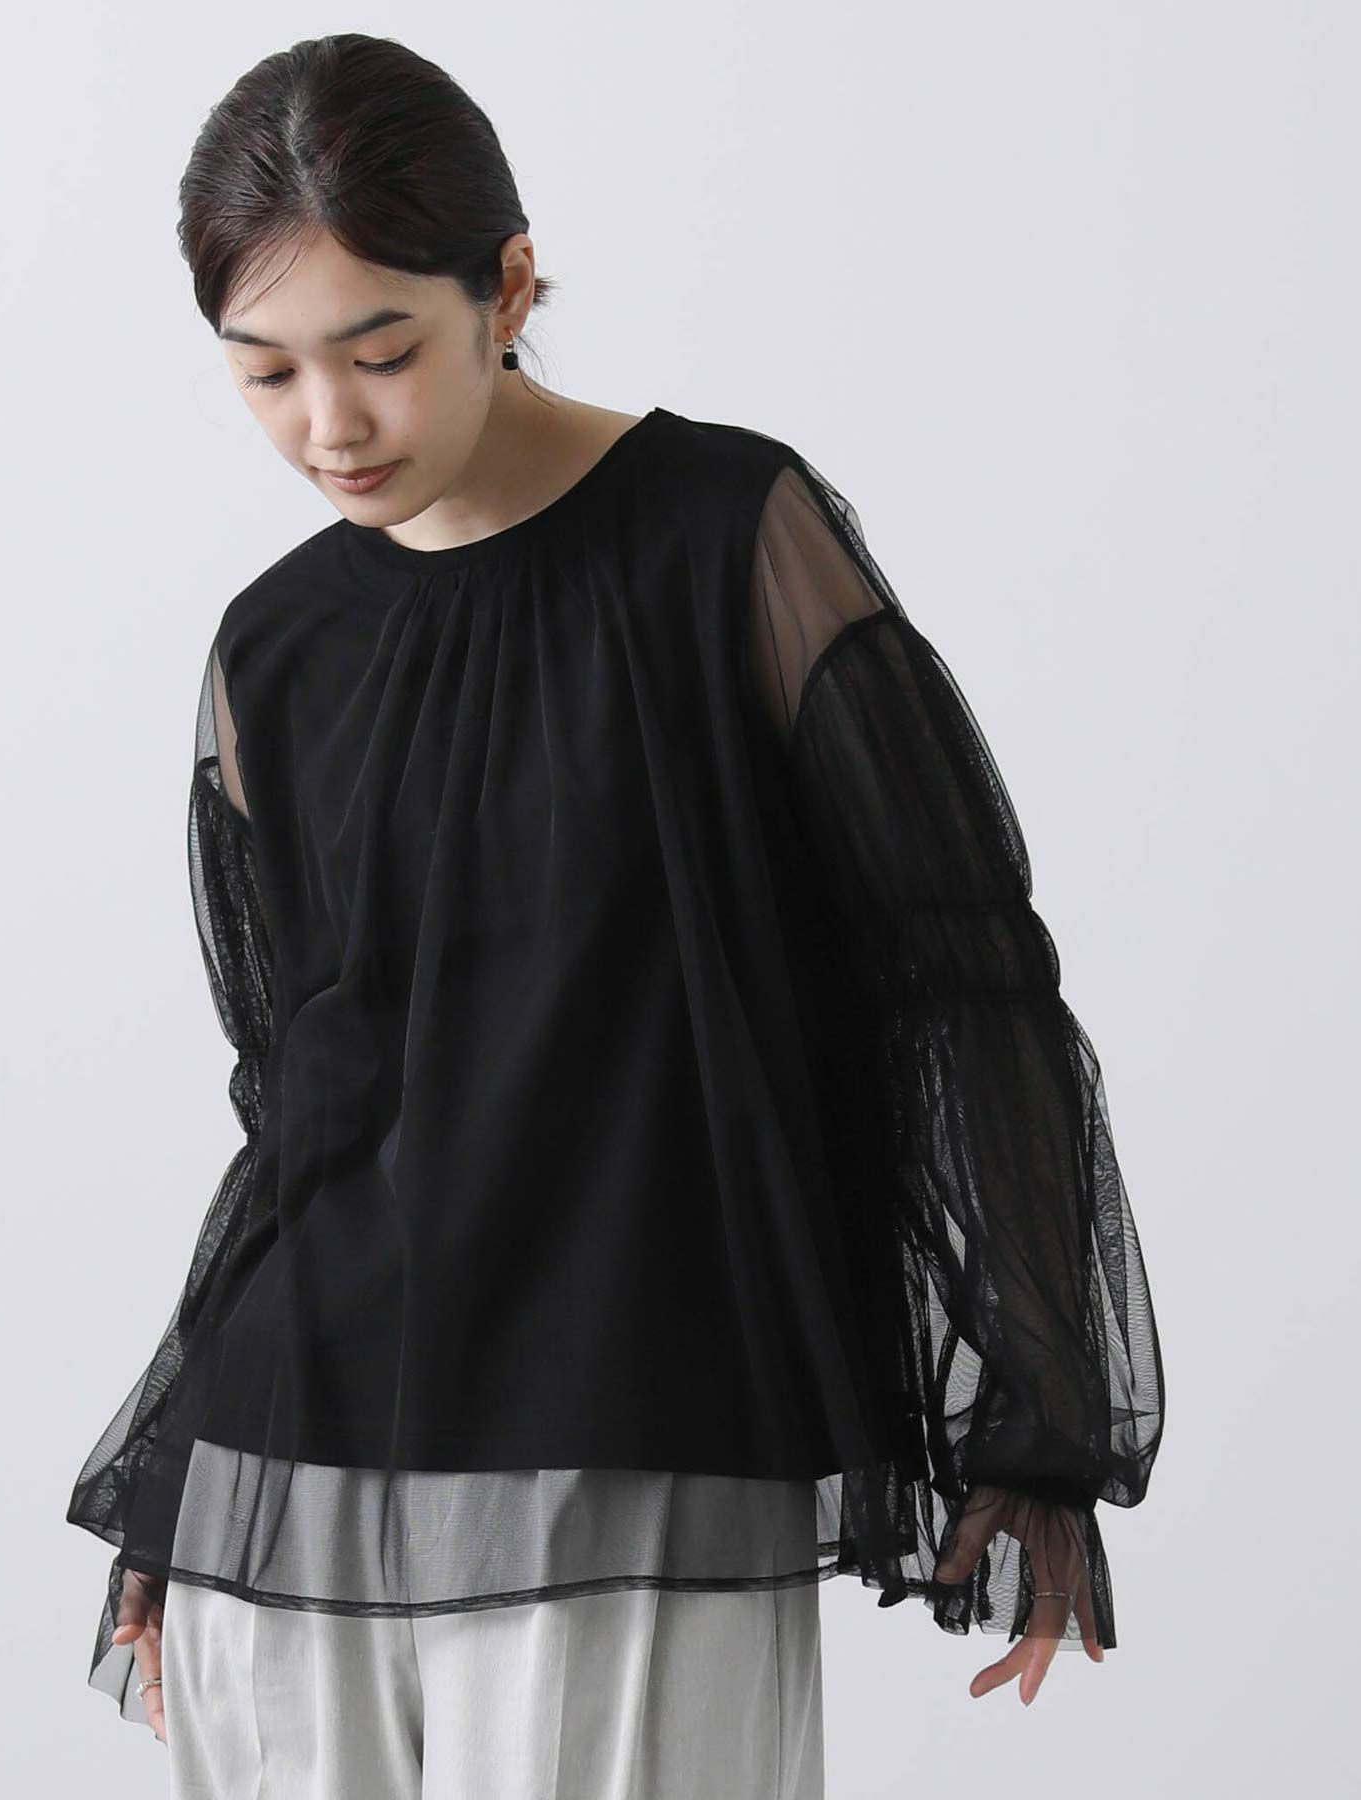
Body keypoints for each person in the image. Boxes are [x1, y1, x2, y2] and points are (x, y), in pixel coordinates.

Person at [64, 31, 1166, 1799]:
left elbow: (960, 978)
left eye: (380, 351)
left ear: (508, 287)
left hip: (641, 1427)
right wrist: (176, 1482)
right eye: (263, 372)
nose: (329, 424)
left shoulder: (728, 536)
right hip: (295, 1456)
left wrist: (1038, 1416)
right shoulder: (272, 650)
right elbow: (304, 1107)